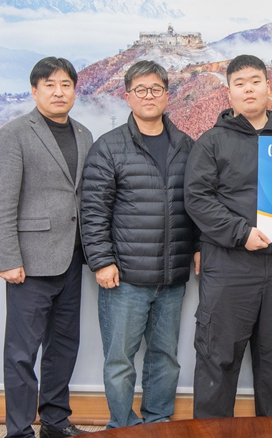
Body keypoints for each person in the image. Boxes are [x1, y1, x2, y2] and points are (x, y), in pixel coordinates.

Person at [184, 54, 272, 419]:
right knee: (217, 359)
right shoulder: (211, 141)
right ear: (229, 92)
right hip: (228, 265)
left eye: (255, 81)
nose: (248, 89)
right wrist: (241, 234)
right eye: (240, 83)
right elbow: (197, 199)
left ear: (269, 86)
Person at [80, 60, 199, 429]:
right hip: (125, 278)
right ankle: (122, 426)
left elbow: (197, 204)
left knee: (165, 358)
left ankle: (158, 421)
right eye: (140, 90)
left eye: (156, 89)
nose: (149, 96)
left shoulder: (187, 145)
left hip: (172, 277)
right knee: (119, 360)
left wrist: (197, 247)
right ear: (127, 95)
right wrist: (101, 261)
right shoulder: (109, 147)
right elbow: (93, 211)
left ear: (167, 95)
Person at [0, 57, 92, 438]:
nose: (58, 92)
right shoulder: (15, 133)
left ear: (74, 90)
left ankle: (55, 422)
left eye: (66, 84)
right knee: (22, 352)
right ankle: (19, 429)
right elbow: (4, 200)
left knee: (64, 345)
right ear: (35, 90)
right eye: (50, 85)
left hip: (72, 258)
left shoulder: (84, 133)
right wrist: (8, 258)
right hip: (29, 262)